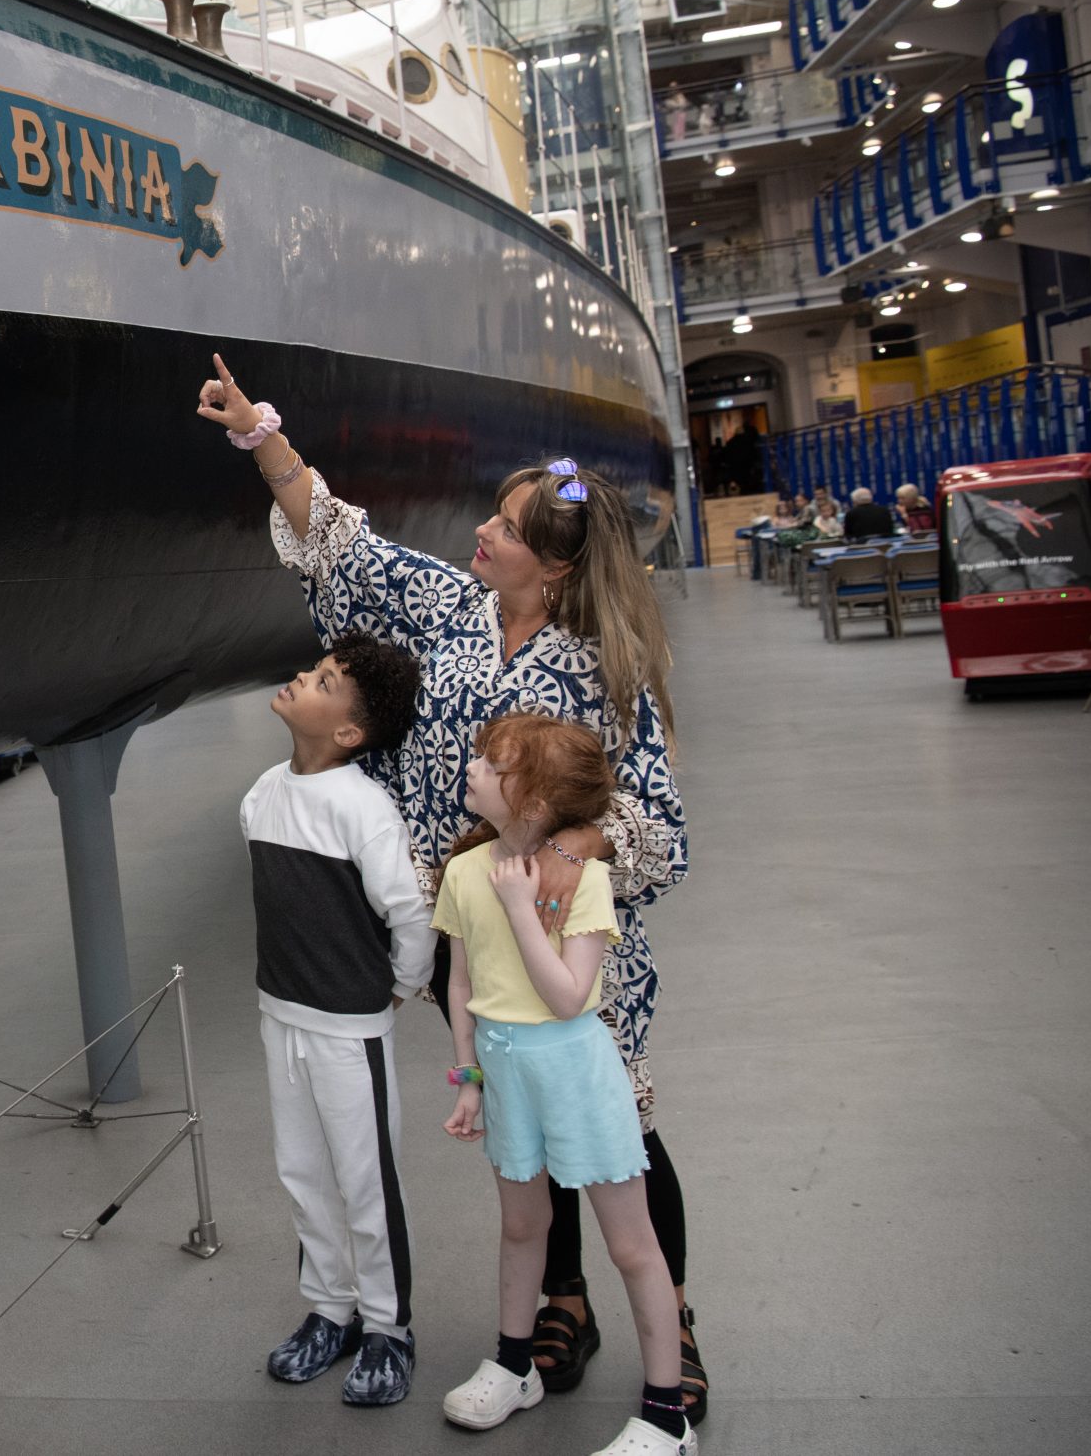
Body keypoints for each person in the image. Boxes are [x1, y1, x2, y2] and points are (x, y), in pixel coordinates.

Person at [193, 358, 703, 1424]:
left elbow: (654, 827)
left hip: (570, 949)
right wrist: (261, 438)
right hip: (471, 937)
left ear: (552, 569)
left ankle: (675, 1324)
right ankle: (560, 1300)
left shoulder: (606, 671)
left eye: (506, 527)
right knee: (523, 1127)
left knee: (617, 1134)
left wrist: (549, 852)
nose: (482, 532)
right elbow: (346, 548)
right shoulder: (449, 610)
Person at [433, 713, 693, 1455]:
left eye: (493, 761)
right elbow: (460, 984)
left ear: (538, 802)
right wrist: (469, 1079)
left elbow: (569, 996)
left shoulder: (585, 880)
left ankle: (665, 1413)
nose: (474, 766)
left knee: (631, 1243)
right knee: (522, 1225)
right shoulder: (463, 870)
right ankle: (516, 1363)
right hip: (507, 1070)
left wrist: (520, 910)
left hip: (577, 1072)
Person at [241, 632, 434, 1407]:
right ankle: (330, 1309)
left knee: (364, 1178)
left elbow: (409, 912)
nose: (300, 677)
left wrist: (400, 985)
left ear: (349, 731)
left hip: (350, 1031)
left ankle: (389, 1326)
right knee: (302, 1170)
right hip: (279, 1017)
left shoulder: (364, 807)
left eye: (321, 680)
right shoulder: (260, 794)